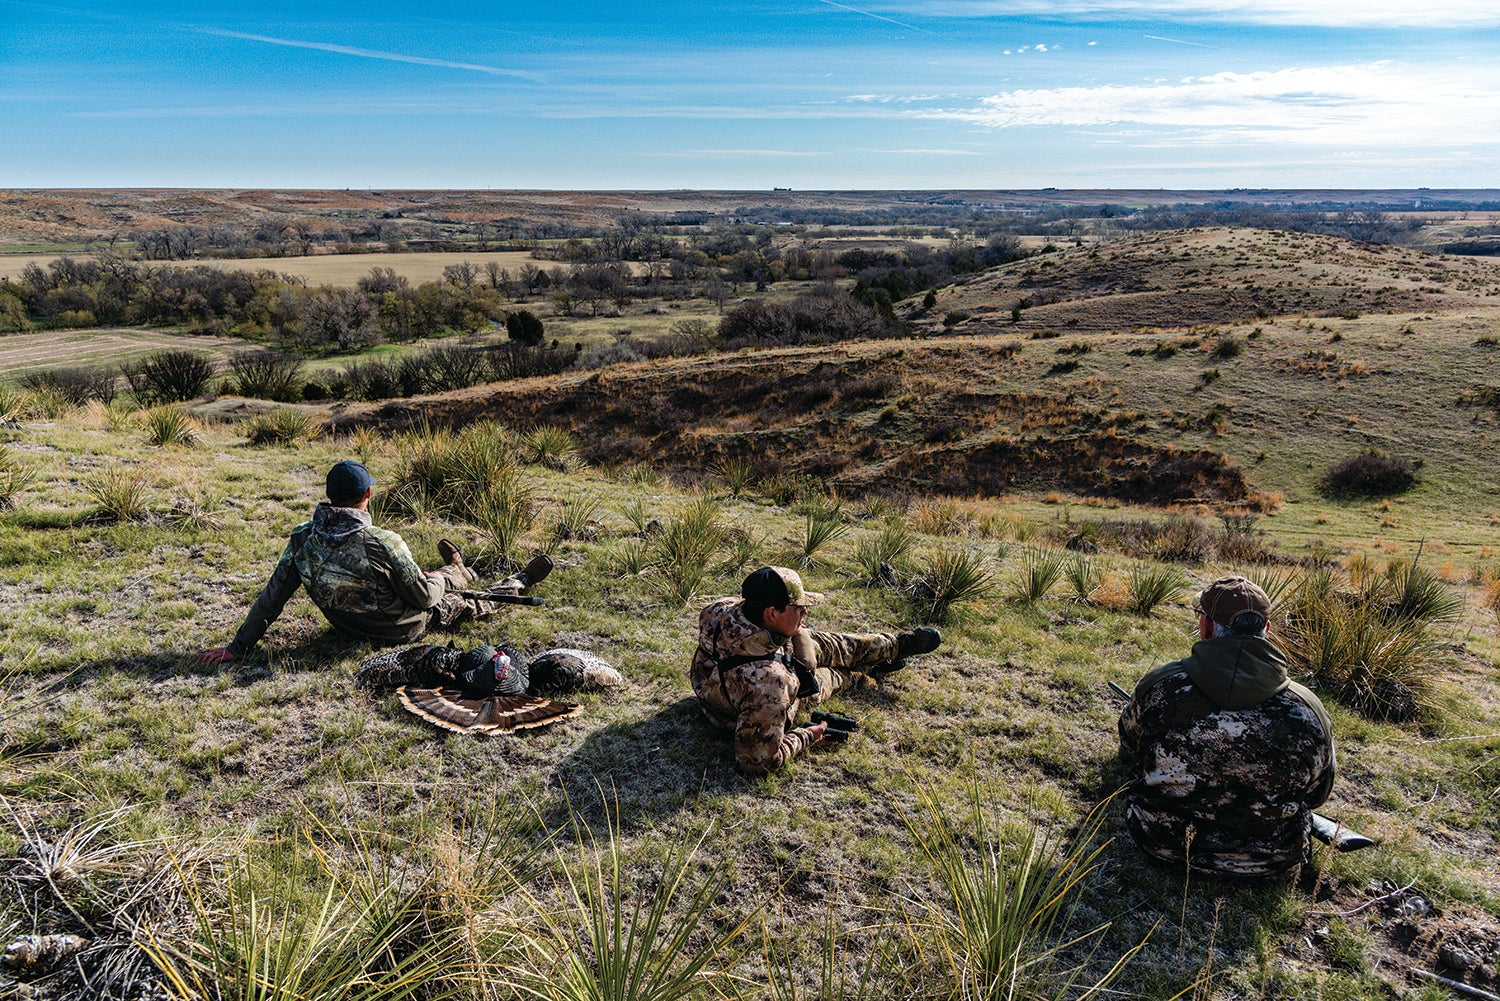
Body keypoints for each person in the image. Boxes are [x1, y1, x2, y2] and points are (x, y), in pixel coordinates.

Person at [1117, 575, 1336, 879]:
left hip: (1161, 845)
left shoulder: (1161, 684)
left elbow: (1130, 746)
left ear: (1206, 628)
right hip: (1269, 864)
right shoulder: (1309, 709)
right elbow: (1317, 794)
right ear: (1267, 630)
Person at [199, 460, 505, 664]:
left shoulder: (303, 536)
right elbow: (423, 599)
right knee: (460, 600)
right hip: (399, 630)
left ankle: (457, 568)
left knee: (432, 580)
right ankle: (503, 580)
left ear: (330, 495)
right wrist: (435, 581)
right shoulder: (383, 541)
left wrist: (237, 647)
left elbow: (273, 595)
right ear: (368, 494)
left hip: (346, 626)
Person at [691, 566, 941, 775]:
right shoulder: (770, 687)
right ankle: (866, 673)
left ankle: (896, 646)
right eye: (797, 608)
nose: (805, 611)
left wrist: (792, 628)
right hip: (753, 697)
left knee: (835, 645)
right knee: (834, 677)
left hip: (764, 657)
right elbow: (758, 763)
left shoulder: (719, 610)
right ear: (771, 613)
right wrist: (810, 734)